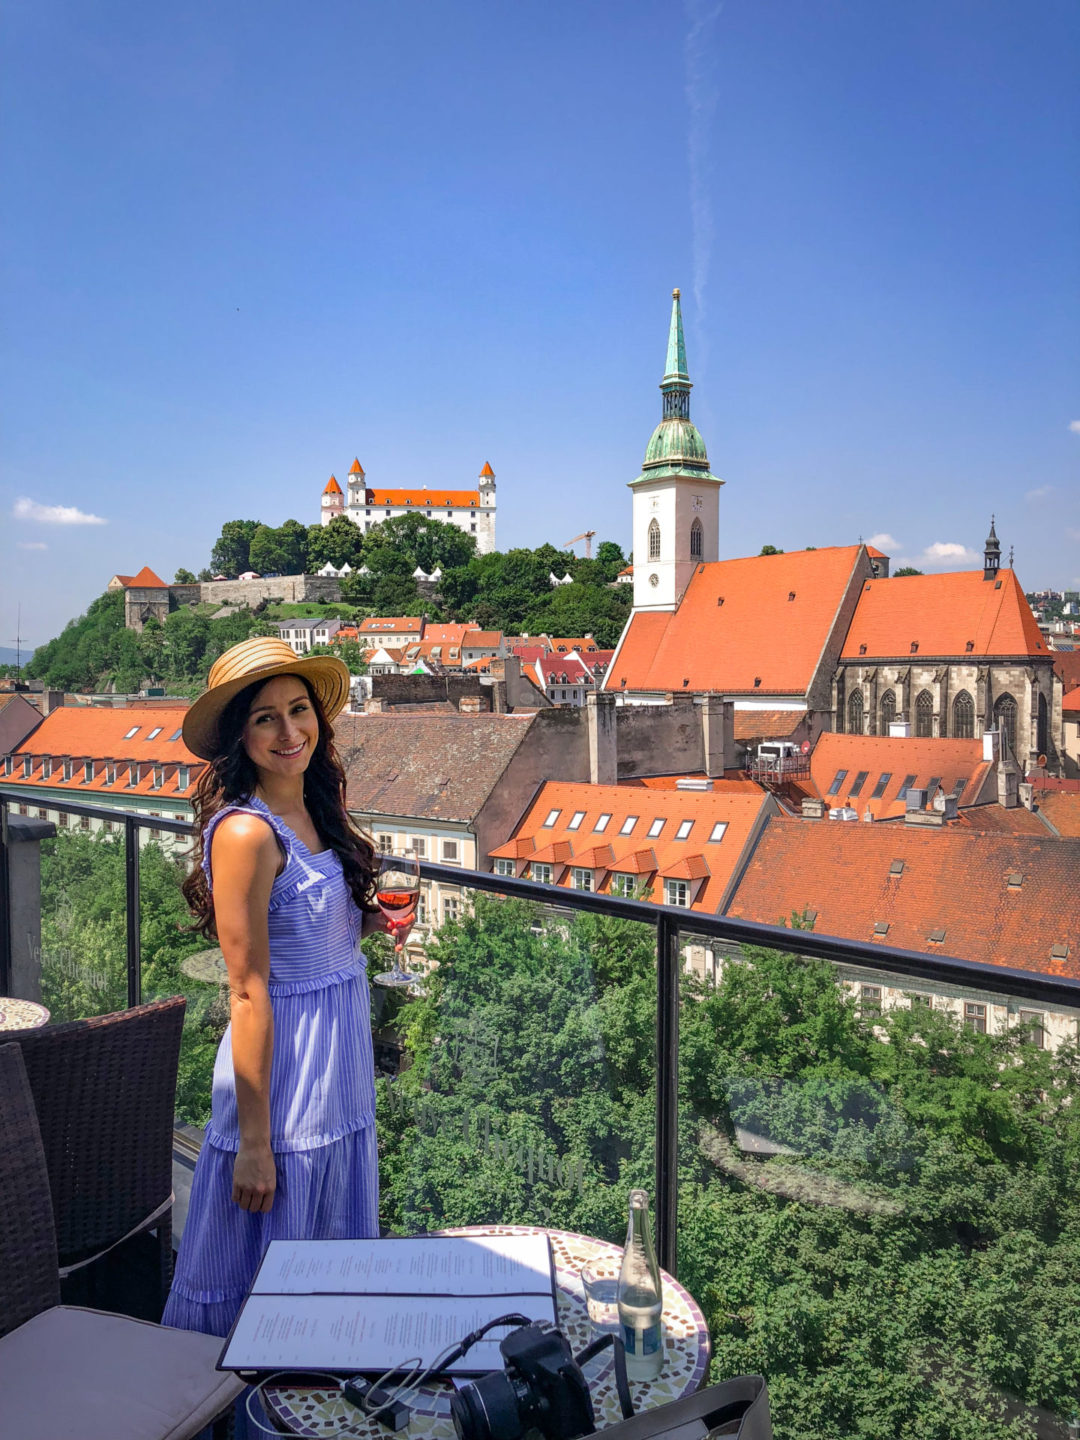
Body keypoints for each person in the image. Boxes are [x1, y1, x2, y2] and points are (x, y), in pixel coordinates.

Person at [162, 636, 409, 1338]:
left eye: (299, 710)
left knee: (321, 1271)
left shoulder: (312, 810)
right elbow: (248, 990)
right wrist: (254, 1141)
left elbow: (315, 935)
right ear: (240, 735)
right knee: (267, 1280)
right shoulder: (245, 831)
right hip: (287, 1080)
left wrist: (364, 920)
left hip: (340, 1072)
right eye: (265, 717)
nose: (289, 730)